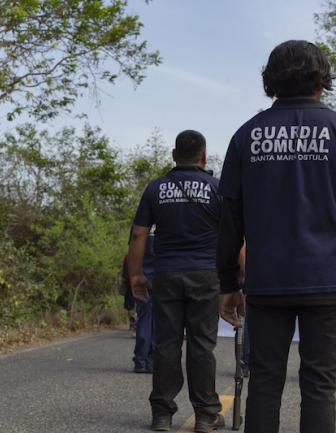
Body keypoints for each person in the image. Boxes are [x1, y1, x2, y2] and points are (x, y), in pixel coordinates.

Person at [216, 40, 336, 433]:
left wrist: (227, 282)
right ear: (322, 80)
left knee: (265, 383)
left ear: (270, 81)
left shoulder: (246, 136)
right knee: (319, 386)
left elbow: (230, 219)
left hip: (267, 282)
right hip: (327, 282)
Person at [128, 131, 224, 432]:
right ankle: (207, 415)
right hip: (206, 275)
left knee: (166, 345)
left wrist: (136, 274)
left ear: (173, 155)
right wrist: (239, 277)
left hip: (166, 275)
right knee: (202, 346)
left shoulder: (156, 189)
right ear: (204, 156)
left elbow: (139, 234)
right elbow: (236, 237)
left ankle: (162, 415)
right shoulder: (216, 188)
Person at [133, 225, 156, 374]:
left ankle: (141, 360)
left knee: (144, 319)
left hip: (143, 276)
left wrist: (134, 275)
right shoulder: (170, 219)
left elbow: (133, 250)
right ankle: (152, 360)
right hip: (164, 276)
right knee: (160, 321)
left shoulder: (141, 226)